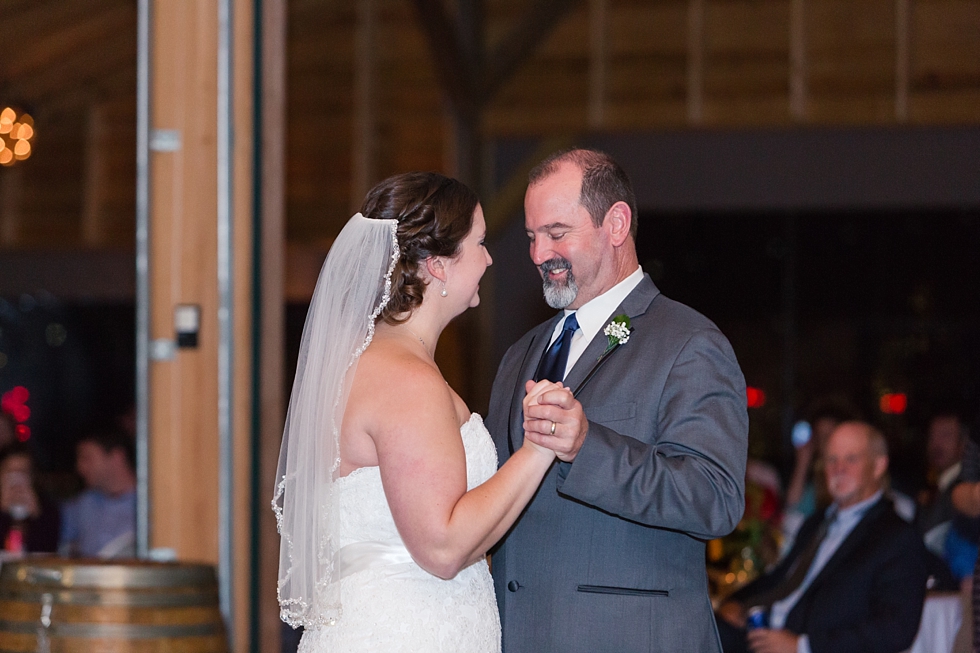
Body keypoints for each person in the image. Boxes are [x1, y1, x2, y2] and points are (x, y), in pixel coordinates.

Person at [273, 172, 559, 652]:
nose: (489, 258)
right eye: (480, 242)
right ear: (441, 266)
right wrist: (540, 447)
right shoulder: (406, 380)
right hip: (409, 633)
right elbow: (443, 547)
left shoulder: (370, 363)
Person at [486, 148, 749, 652]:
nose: (540, 254)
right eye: (532, 237)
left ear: (616, 223)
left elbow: (715, 499)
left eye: (557, 233)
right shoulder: (520, 355)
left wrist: (588, 447)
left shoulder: (689, 342)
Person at [715, 421, 928, 653]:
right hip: (761, 635)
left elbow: (895, 630)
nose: (839, 469)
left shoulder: (896, 537)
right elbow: (780, 577)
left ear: (878, 466)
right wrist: (736, 602)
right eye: (831, 460)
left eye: (851, 459)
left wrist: (803, 646)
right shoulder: (817, 523)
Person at [59, 426, 137, 558]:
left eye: (87, 458)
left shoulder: (149, 506)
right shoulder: (82, 505)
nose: (80, 467)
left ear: (116, 457)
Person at [0, 443, 60, 554]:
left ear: (32, 475)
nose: (16, 478)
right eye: (10, 472)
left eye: (22, 472)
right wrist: (3, 512)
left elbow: (46, 553)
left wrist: (37, 516)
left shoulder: (47, 508)